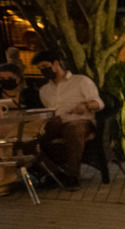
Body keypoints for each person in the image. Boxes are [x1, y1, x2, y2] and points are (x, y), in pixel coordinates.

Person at [32, 51, 103, 189]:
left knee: (73, 129)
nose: (43, 71)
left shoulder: (80, 81)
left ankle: (72, 175)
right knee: (31, 139)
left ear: (56, 64)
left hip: (80, 121)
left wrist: (86, 105)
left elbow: (99, 103)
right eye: (40, 68)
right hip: (57, 122)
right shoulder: (44, 90)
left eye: (45, 66)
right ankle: (55, 173)